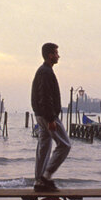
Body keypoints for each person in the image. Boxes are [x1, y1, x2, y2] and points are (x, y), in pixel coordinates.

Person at [31, 42, 71, 191]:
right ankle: (46, 176)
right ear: (50, 55)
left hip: (40, 115)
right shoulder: (46, 72)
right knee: (65, 145)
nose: (58, 56)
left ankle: (38, 182)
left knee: (44, 147)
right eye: (56, 53)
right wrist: (51, 119)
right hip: (47, 116)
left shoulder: (43, 71)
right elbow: (45, 97)